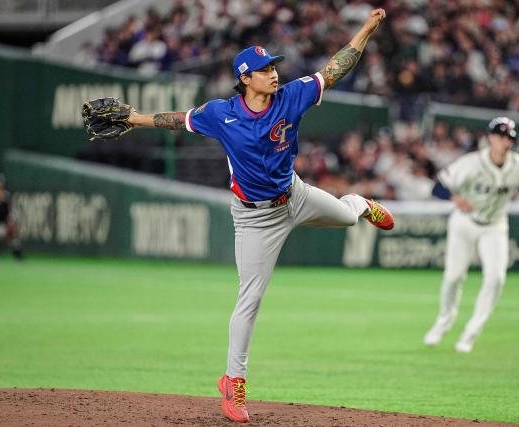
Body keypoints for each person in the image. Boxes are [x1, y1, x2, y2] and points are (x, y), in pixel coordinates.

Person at [122, 8, 389, 423]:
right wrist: (134, 118)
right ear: (245, 78)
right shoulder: (221, 113)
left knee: (349, 218)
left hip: (294, 194)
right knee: (250, 299)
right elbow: (178, 120)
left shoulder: (291, 96)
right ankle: (234, 381)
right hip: (254, 219)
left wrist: (366, 30)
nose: (273, 74)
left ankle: (360, 202)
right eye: (264, 70)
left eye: (273, 67)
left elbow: (333, 69)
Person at [423, 117, 519, 353]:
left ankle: (471, 333)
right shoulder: (471, 163)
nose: (505, 142)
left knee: (496, 278)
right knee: (453, 277)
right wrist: (454, 198)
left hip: (495, 225)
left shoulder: (518, 165)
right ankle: (443, 321)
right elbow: (437, 187)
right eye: (501, 136)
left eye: (509, 138)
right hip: (464, 223)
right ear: (490, 138)